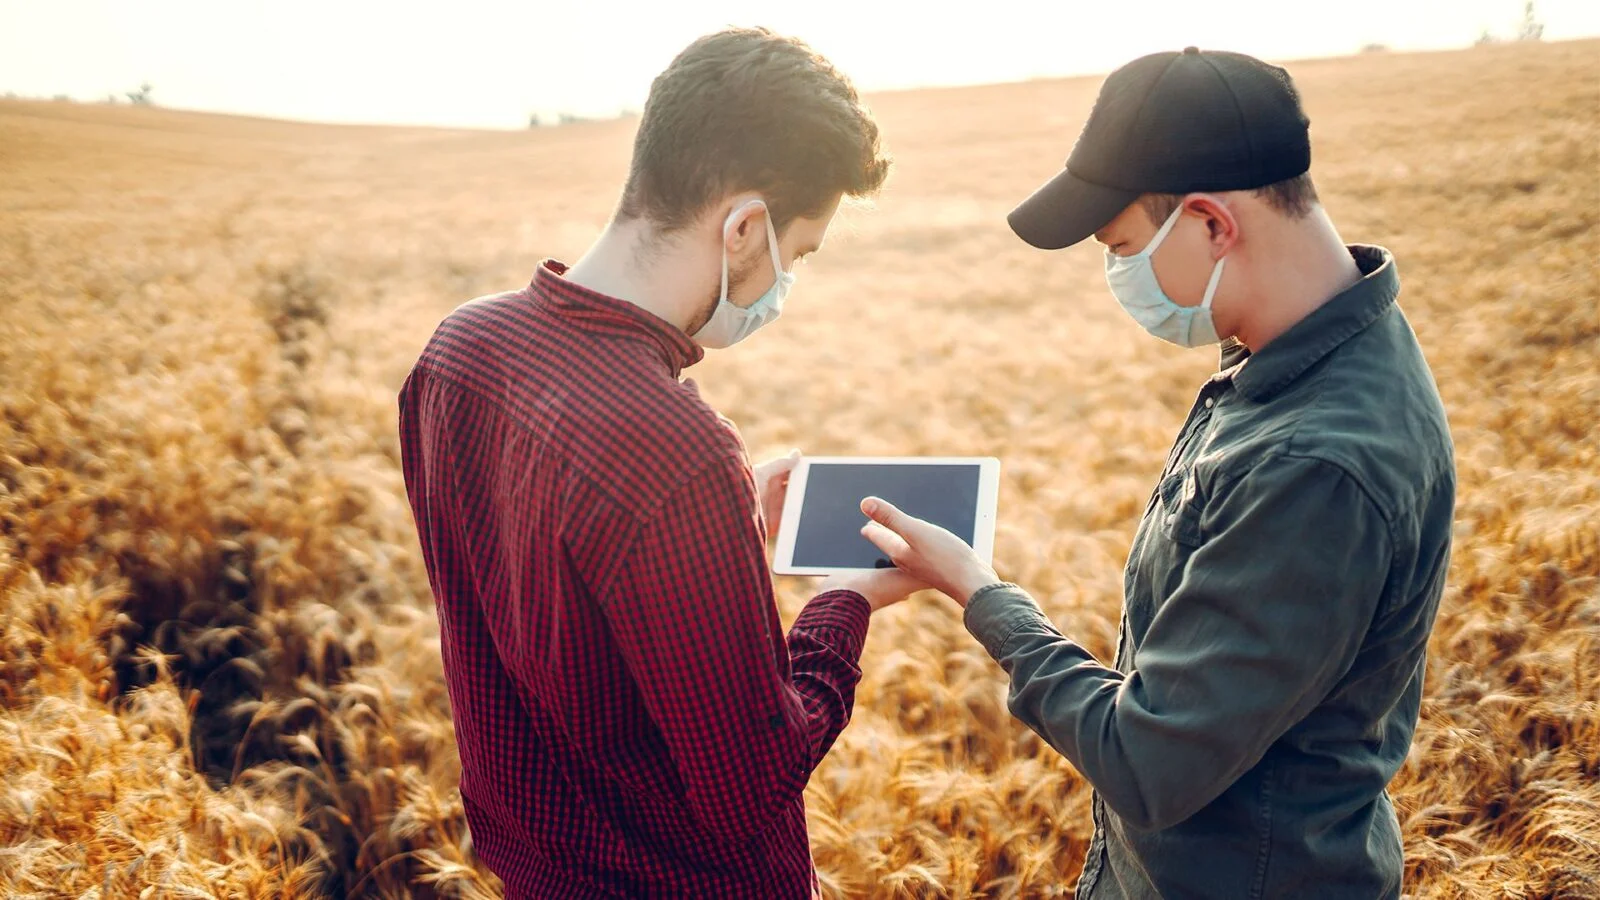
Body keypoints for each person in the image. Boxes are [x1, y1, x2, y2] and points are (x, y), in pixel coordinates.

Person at [856, 47, 1455, 899]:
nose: (1117, 274)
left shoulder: (1313, 464)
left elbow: (1149, 764)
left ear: (1213, 223)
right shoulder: (1303, 352)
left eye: (1122, 245)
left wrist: (980, 593)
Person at [397, 27, 921, 899]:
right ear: (746, 227)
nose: (788, 281)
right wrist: (845, 600)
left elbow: (542, 601)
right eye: (799, 255)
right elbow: (748, 790)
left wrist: (717, 533)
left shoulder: (460, 348)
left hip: (535, 872)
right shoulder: (673, 453)